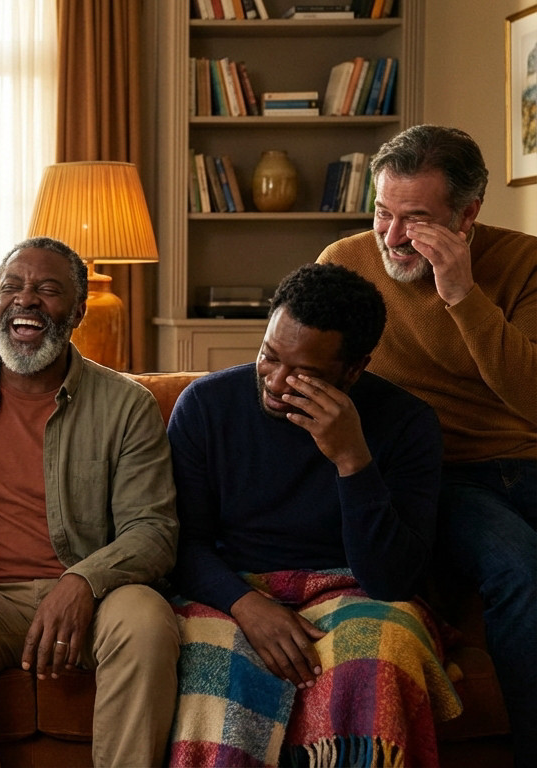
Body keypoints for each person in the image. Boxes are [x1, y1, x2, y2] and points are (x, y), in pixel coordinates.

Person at [166, 263, 461, 766]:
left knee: (379, 653)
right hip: (235, 586)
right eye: (268, 356)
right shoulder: (206, 407)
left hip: (354, 588)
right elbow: (179, 545)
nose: (277, 382)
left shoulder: (407, 423)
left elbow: (393, 579)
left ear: (353, 369)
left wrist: (352, 458)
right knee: (216, 667)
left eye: (302, 373)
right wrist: (244, 604)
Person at [0, 236, 180, 768]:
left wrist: (83, 581)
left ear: (77, 310)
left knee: (147, 620)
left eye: (47, 290)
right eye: (12, 286)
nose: (24, 300)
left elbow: (153, 530)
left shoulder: (127, 405)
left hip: (96, 596)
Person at [317, 124, 537, 759]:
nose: (389, 237)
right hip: (437, 471)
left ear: (467, 215)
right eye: (382, 212)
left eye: (414, 220)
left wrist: (462, 295)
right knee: (520, 567)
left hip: (525, 460)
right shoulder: (346, 263)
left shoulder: (523, 264)